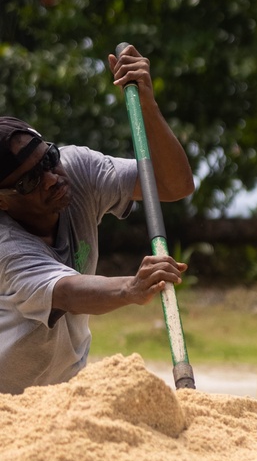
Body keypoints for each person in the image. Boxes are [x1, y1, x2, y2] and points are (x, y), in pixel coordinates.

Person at [0, 45, 193, 394]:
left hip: (62, 396)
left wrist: (148, 104)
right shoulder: (7, 247)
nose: (51, 178)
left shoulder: (76, 169)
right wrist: (131, 288)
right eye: (29, 181)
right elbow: (69, 292)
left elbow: (173, 184)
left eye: (49, 160)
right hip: (7, 408)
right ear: (2, 201)